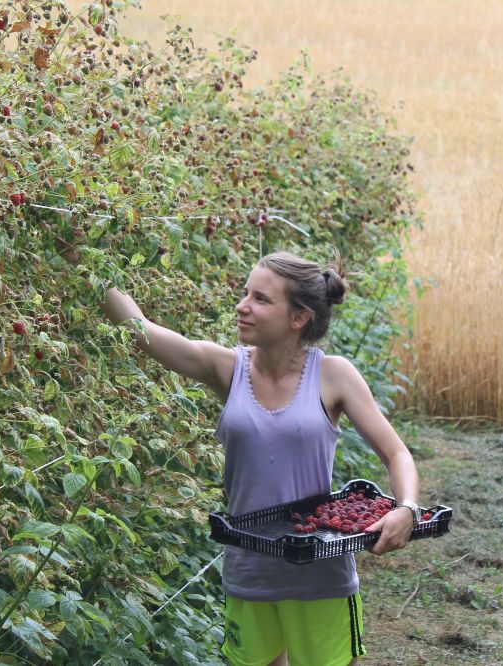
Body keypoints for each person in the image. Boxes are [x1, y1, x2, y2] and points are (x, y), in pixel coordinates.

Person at [97, 251, 419, 666]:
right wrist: (86, 261)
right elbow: (142, 332)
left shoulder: (333, 375)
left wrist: (406, 508)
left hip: (319, 573)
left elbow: (396, 453)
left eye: (261, 299)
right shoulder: (227, 368)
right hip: (249, 570)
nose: (241, 305)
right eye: (245, 293)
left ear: (298, 317)